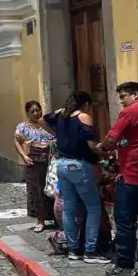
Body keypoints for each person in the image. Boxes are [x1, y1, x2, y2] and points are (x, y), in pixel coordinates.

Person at [43, 91, 106, 263]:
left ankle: (73, 249)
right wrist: (105, 152)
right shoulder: (83, 117)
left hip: (62, 164)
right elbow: (92, 145)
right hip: (79, 165)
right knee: (93, 207)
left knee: (68, 208)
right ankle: (90, 251)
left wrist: (57, 133)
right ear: (85, 104)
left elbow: (43, 119)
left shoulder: (62, 116)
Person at [98, 82, 138, 276]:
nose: (121, 101)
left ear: (135, 95)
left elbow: (111, 140)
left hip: (131, 174)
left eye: (124, 96)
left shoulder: (130, 112)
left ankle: (124, 264)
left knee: (125, 221)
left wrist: (101, 147)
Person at [14, 100, 55, 232]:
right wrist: (24, 156)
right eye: (33, 111)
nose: (36, 113)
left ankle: (55, 217)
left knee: (53, 189)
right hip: (34, 161)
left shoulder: (47, 125)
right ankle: (40, 220)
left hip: (50, 159)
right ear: (27, 113)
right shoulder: (22, 127)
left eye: (38, 110)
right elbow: (17, 142)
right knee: (37, 190)